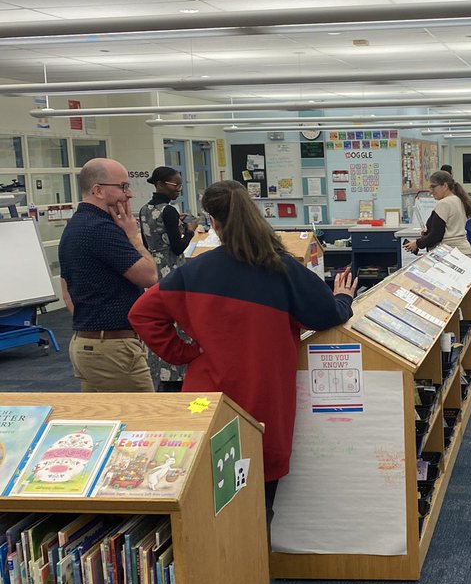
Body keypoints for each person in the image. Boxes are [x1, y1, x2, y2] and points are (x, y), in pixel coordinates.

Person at [129, 180, 357, 529]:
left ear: (214, 223)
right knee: (257, 505)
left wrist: (185, 353)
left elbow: (142, 313)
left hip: (207, 402)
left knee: (210, 498)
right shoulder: (280, 268)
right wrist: (343, 297)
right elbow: (327, 314)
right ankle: (252, 575)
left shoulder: (193, 272)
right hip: (262, 399)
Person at [58, 158, 158, 393]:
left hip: (89, 344)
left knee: (105, 422)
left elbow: (67, 293)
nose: (130, 194)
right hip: (111, 348)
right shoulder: (101, 230)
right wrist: (133, 237)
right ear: (98, 191)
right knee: (143, 422)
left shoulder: (76, 226)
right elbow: (149, 276)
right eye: (123, 187)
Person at [138, 166, 199, 392]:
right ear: (161, 184)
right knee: (178, 320)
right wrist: (190, 230)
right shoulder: (169, 211)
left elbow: (148, 243)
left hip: (154, 267)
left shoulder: (144, 210)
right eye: (176, 186)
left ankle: (159, 370)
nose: (178, 191)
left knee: (158, 317)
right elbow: (178, 246)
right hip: (172, 268)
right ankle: (178, 373)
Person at [404, 171, 471, 258]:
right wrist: (428, 233)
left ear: (445, 186)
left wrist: (417, 243)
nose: (430, 191)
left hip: (450, 254)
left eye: (433, 187)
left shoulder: (444, 203)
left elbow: (436, 235)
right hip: (463, 251)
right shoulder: (458, 199)